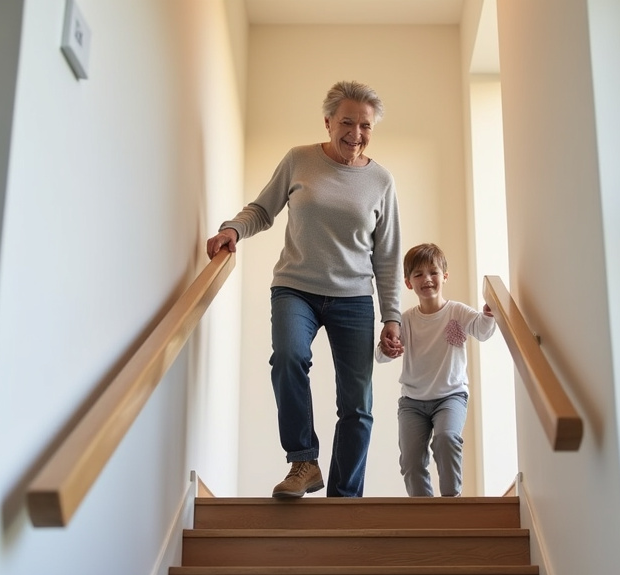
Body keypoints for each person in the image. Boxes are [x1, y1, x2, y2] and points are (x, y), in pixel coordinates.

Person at [206, 80, 402, 499]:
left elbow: (386, 256)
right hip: (296, 288)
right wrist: (233, 230)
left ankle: (344, 499)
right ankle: (303, 461)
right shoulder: (300, 160)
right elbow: (263, 209)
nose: (356, 133)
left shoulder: (381, 181)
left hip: (354, 298)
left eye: (365, 125)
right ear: (328, 122)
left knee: (358, 403)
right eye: (346, 122)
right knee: (288, 358)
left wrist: (392, 317)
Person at [375, 243, 496, 497]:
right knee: (411, 461)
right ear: (408, 283)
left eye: (433, 272)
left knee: (446, 438)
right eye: (418, 274)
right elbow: (381, 355)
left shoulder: (457, 312)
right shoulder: (405, 320)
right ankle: (424, 511)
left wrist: (488, 314)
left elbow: (482, 331)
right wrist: (386, 349)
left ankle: (451, 503)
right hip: (412, 402)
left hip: (450, 397)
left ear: (445, 276)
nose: (427, 279)